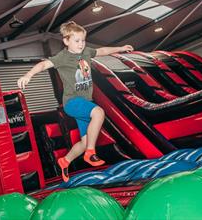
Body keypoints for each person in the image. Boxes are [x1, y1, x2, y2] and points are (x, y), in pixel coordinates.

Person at [17, 21, 133, 182]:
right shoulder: (63, 57)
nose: (81, 44)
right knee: (99, 112)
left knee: (84, 141)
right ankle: (91, 153)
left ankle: (65, 160)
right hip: (72, 102)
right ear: (66, 41)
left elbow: (102, 50)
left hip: (84, 102)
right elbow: (44, 64)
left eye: (83, 40)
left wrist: (120, 48)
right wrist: (28, 75)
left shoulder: (86, 52)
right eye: (77, 41)